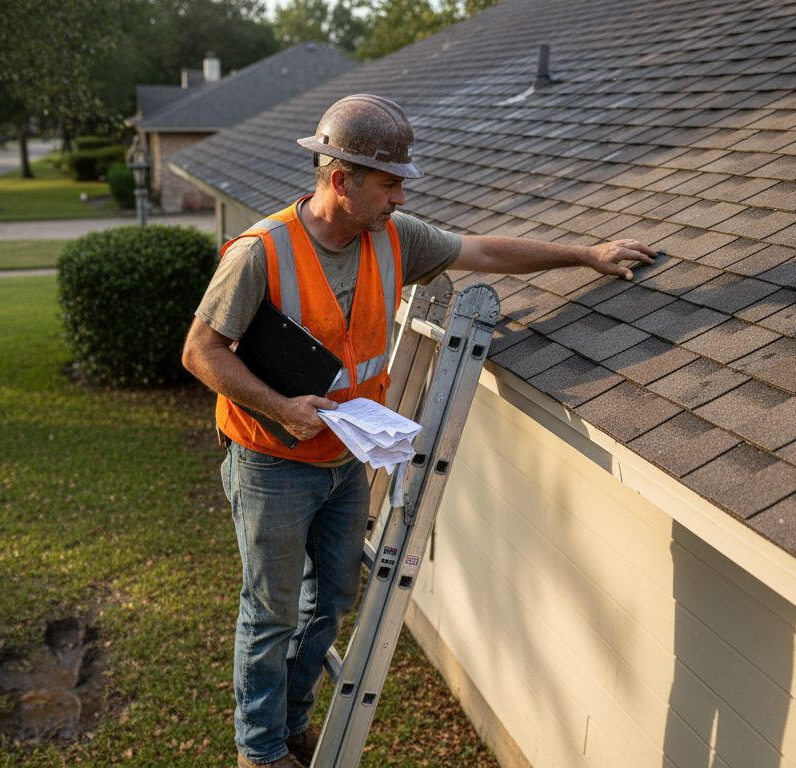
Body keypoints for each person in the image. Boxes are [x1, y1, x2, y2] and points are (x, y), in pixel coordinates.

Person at [181, 93, 656, 768]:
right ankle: (259, 752)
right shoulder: (261, 252)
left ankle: (288, 725)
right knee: (272, 611)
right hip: (271, 463)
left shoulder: (393, 239)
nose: (400, 195)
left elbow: (483, 251)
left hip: (344, 459)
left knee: (329, 602)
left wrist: (586, 253)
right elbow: (201, 353)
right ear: (341, 180)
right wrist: (283, 407)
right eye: (389, 182)